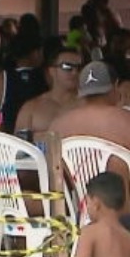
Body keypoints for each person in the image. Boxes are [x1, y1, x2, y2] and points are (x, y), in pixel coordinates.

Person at [50, 61, 130, 199]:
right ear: (115, 87)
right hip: (122, 213)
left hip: (80, 210)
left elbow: (54, 176)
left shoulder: (57, 126)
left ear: (81, 92)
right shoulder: (125, 120)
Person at [0, 35, 48, 133]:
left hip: (9, 142)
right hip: (41, 139)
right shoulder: (49, 76)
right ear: (35, 53)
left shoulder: (1, 78)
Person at [15, 47, 82, 139]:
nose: (75, 72)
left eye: (79, 68)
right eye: (67, 67)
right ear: (52, 71)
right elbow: (19, 145)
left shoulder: (89, 105)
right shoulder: (31, 107)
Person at [75, 172, 130, 257]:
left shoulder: (90, 233)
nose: (86, 207)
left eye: (87, 202)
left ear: (96, 204)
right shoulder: (127, 237)